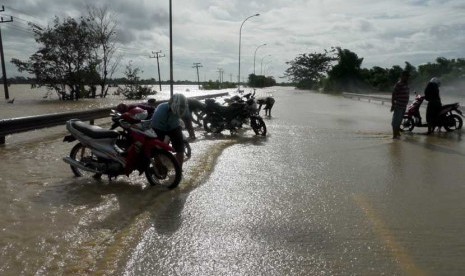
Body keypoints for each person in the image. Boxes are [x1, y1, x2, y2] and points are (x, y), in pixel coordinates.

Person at [150, 93, 188, 169]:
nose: (181, 109)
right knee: (156, 148)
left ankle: (179, 169)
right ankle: (158, 166)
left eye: (182, 107)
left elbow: (187, 119)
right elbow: (155, 126)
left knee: (180, 149)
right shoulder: (161, 109)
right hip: (159, 127)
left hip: (174, 126)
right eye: (179, 107)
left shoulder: (184, 107)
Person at [390, 70, 411, 139]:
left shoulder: (406, 84)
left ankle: (397, 133)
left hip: (403, 106)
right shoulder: (398, 84)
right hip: (398, 106)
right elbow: (393, 94)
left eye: (408, 77)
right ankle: (394, 136)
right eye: (406, 76)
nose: (407, 78)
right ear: (402, 76)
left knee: (399, 121)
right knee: (396, 121)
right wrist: (393, 105)